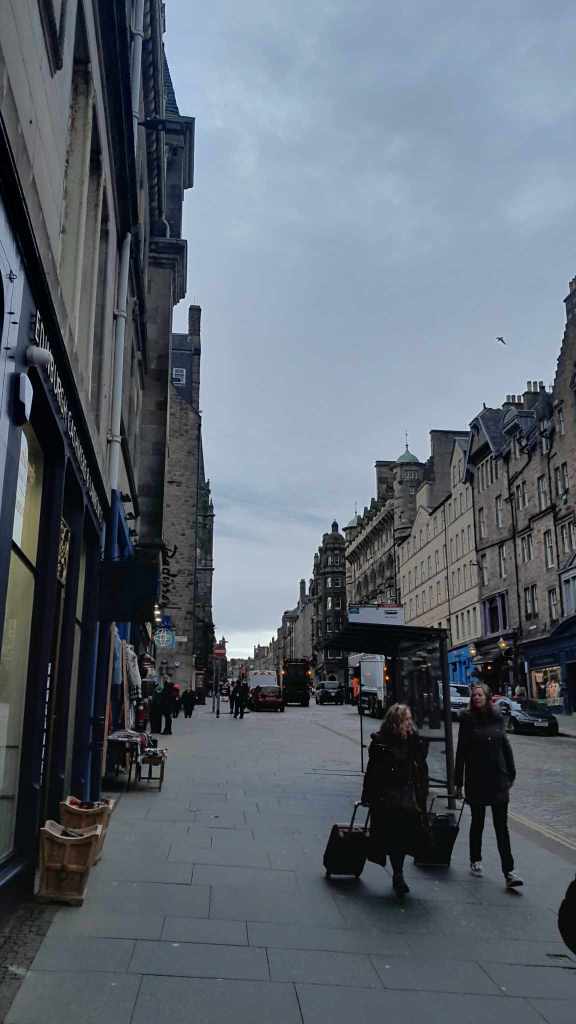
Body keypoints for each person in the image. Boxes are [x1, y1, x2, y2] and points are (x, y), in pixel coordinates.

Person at [455, 682, 523, 889]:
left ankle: (509, 872)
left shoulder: (497, 717)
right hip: (477, 780)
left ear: (487, 697)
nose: (476, 697)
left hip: (498, 779)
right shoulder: (467, 719)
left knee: (501, 827)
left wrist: (511, 773)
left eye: (480, 695)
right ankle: (475, 859)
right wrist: (458, 782)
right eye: (474, 695)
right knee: (478, 823)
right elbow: (461, 751)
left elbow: (505, 745)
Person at [361, 703, 429, 897]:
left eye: (410, 719)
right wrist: (367, 795)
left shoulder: (412, 740)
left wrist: (416, 738)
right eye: (406, 719)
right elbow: (372, 770)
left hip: (407, 795)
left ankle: (399, 871)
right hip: (387, 796)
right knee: (394, 836)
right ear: (396, 722)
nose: (409, 723)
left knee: (406, 834)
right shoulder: (381, 742)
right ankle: (398, 873)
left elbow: (421, 762)